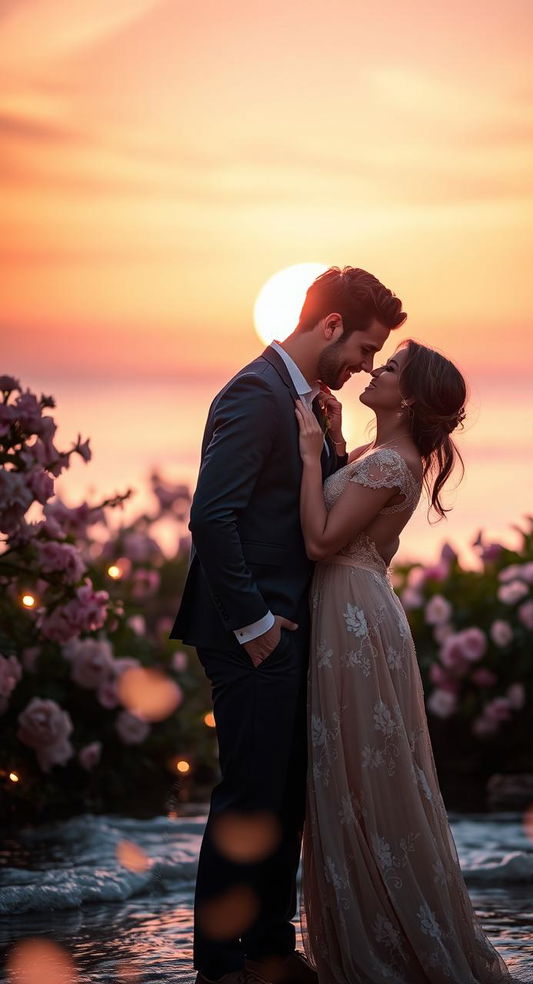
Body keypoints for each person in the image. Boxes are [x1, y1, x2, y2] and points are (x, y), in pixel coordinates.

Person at [170, 266, 407, 984]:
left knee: (286, 797)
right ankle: (220, 965)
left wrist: (332, 449)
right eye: (364, 349)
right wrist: (255, 625)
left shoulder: (304, 401)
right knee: (249, 798)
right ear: (329, 325)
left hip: (298, 632)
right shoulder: (254, 393)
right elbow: (212, 517)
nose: (365, 366)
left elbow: (305, 505)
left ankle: (269, 949)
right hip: (253, 634)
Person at [295, 340, 516, 984]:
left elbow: (319, 539)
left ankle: (392, 944)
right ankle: (371, 927)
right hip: (351, 609)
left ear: (409, 398)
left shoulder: (394, 464)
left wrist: (311, 458)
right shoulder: (378, 457)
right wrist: (334, 447)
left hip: (353, 614)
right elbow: (343, 509)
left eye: (388, 369)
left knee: (367, 775)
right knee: (355, 772)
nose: (374, 370)